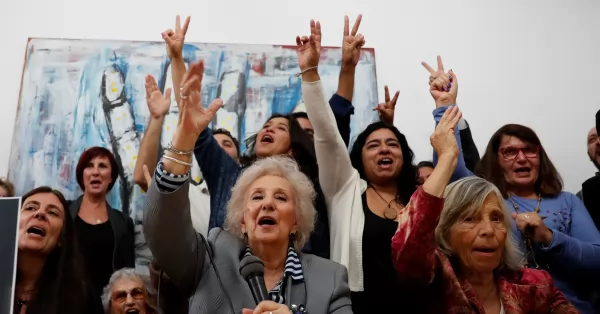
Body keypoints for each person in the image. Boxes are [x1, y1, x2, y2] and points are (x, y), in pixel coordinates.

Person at [162, 16, 330, 260]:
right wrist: (177, 59)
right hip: (223, 287)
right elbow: (192, 121)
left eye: (280, 128)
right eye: (266, 126)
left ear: (294, 147)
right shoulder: (228, 175)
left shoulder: (310, 190)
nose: (268, 130)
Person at [391, 107, 578, 313]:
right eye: (470, 219)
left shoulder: (536, 285)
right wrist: (447, 157)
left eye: (497, 218)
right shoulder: (434, 284)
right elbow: (412, 243)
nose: (488, 230)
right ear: (445, 232)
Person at [475, 123, 600, 313]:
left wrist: (549, 237)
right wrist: (445, 106)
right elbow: (452, 166)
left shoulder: (568, 201)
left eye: (529, 150)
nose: (522, 158)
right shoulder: (486, 200)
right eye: (510, 151)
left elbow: (597, 259)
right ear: (496, 160)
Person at [14, 186, 101, 314]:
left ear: (61, 237)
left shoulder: (83, 298)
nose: (40, 214)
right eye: (30, 208)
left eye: (52, 213)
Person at [69, 147, 136, 296]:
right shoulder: (64, 211)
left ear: (111, 177)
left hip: (106, 305)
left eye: (103, 166)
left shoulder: (124, 223)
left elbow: (128, 272)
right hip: (66, 302)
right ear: (82, 175)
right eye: (89, 166)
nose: (95, 172)